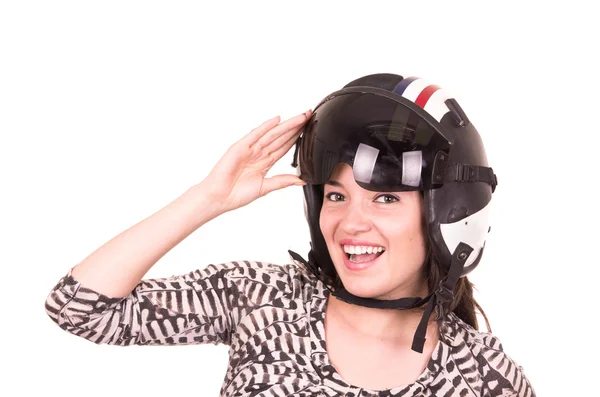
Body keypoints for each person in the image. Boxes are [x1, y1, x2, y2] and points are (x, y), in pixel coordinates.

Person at [45, 73, 535, 396]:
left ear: (450, 214)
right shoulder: (265, 299)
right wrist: (208, 199)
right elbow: (80, 307)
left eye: (385, 197)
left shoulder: (483, 375)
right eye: (336, 195)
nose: (349, 223)